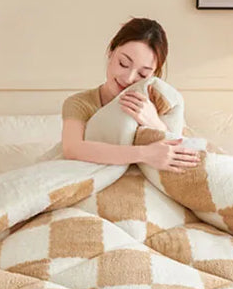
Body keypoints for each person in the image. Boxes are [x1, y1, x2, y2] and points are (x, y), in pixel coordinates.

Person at [60, 17, 201, 173]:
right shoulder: (80, 103)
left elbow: (179, 147)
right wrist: (144, 154)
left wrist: (154, 122)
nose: (128, 78)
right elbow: (72, 149)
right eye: (123, 64)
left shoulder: (160, 104)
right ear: (111, 52)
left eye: (142, 74)